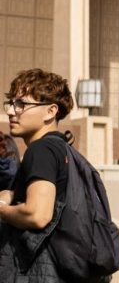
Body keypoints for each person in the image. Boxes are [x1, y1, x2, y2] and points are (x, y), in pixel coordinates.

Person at [0, 69, 76, 280]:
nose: (11, 111)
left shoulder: (41, 150)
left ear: (51, 111)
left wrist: (3, 210)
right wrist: (13, 195)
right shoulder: (64, 149)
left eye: (22, 104)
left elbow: (37, 214)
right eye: (12, 103)